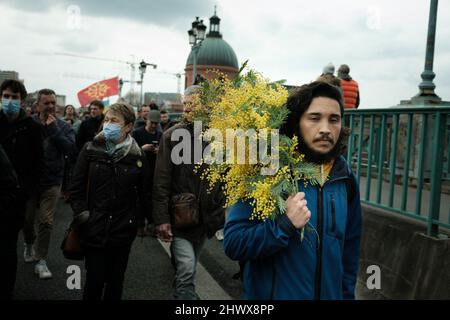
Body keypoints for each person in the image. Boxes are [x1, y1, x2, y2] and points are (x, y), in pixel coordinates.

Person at [223, 81, 362, 300]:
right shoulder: (267, 170)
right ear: (296, 123)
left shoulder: (345, 179)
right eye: (314, 118)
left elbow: (349, 256)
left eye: (334, 119)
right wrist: (283, 225)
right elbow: (234, 244)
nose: (325, 128)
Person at [70, 103, 151, 300]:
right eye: (106, 120)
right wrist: (83, 215)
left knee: (115, 283)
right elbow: (76, 188)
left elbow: (145, 193)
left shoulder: (137, 155)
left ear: (128, 126)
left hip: (123, 230)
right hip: (94, 227)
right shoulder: (90, 150)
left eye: (114, 121)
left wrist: (136, 220)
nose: (108, 124)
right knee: (95, 281)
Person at [152, 85, 225, 300]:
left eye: (193, 104)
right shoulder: (172, 136)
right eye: (186, 103)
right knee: (186, 269)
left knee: (188, 265)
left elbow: (225, 175)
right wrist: (161, 219)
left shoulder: (218, 136)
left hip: (205, 217)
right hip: (180, 215)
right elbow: (161, 180)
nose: (187, 108)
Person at [24, 89, 76, 279]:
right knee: (27, 220)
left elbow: (71, 150)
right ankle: (29, 244)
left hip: (52, 181)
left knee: (45, 221)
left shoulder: (63, 126)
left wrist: (54, 131)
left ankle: (41, 260)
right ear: (38, 105)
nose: (51, 106)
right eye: (46, 103)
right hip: (30, 182)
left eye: (53, 103)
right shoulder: (28, 124)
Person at [0, 79, 44, 298]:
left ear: (22, 100)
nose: (9, 101)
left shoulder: (32, 127)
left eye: (14, 97)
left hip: (15, 197)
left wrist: (25, 194)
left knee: (8, 248)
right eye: (6, 96)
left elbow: (38, 165)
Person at [132, 109, 162, 236]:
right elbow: (130, 151)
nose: (154, 125)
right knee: (140, 197)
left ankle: (151, 224)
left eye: (156, 123)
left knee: (152, 198)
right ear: (146, 120)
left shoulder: (160, 135)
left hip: (155, 170)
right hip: (139, 169)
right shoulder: (137, 133)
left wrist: (160, 150)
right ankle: (139, 224)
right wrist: (142, 149)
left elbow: (166, 151)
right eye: (152, 123)